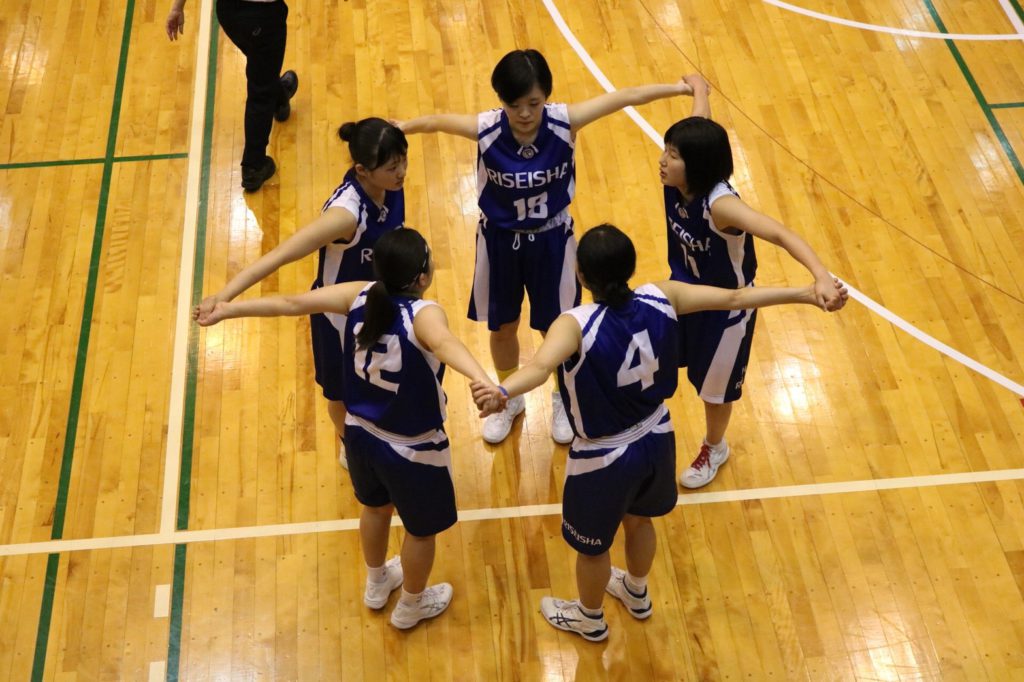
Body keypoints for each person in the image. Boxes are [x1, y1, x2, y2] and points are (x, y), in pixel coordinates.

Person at [472, 224, 846, 641]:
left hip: (603, 456)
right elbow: (735, 298)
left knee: (592, 549)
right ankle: (636, 591)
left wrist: (502, 392)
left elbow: (541, 368)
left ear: (581, 275)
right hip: (657, 437)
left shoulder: (574, 324)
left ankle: (589, 618)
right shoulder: (662, 296)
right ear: (631, 267)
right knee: (640, 520)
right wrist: (805, 293)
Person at [197, 229, 495, 629]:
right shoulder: (424, 314)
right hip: (412, 449)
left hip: (359, 436)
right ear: (422, 277)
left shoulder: (360, 293)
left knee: (375, 509)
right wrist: (482, 379)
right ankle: (411, 604)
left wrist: (228, 310)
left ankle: (377, 581)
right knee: (421, 533)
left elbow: (291, 303)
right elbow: (444, 344)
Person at [397, 49, 697, 446]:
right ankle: (509, 398)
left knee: (555, 328)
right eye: (514, 105)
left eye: (534, 103)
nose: (524, 113)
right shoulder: (486, 128)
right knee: (503, 327)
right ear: (501, 100)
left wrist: (679, 88)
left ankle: (560, 397)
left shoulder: (564, 122)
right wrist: (401, 127)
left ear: (547, 98)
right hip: (500, 240)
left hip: (552, 240)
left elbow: (625, 96)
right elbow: (435, 121)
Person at [660, 74, 844, 489]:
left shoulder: (722, 206)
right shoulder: (681, 177)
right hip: (684, 293)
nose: (663, 161)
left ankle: (715, 446)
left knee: (714, 391)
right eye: (665, 150)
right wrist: (700, 91)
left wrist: (820, 275)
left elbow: (779, 232)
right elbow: (701, 127)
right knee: (661, 361)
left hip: (728, 309)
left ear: (696, 165)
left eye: (672, 155)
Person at [194, 118, 408, 469]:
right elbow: (281, 255)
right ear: (362, 170)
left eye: (403, 161)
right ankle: (350, 445)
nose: (401, 172)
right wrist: (224, 295)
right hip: (339, 318)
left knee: (380, 382)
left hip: (381, 306)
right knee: (340, 393)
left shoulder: (390, 184)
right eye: (392, 166)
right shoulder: (345, 216)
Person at [166, 0, 299, 192]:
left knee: (262, 65)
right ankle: (254, 166)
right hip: (263, 16)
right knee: (261, 89)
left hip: (228, 13)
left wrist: (177, 8)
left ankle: (279, 98)